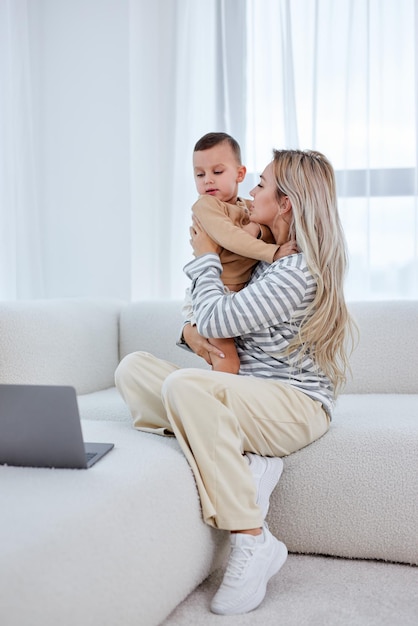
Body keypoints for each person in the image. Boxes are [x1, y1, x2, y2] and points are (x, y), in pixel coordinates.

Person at [115, 148, 356, 616]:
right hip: (247, 394)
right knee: (134, 369)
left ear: (286, 202)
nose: (250, 192)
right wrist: (190, 330)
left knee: (184, 388)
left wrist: (204, 256)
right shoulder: (260, 257)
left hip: (293, 404)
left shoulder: (295, 270)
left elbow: (215, 316)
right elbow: (205, 324)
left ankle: (252, 538)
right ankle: (242, 453)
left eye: (261, 184)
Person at [185, 132, 297, 374]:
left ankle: (211, 400)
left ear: (239, 174)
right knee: (226, 359)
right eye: (200, 174)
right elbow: (231, 238)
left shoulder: (247, 207)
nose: (207, 181)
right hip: (214, 291)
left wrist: (257, 230)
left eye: (217, 172)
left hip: (234, 293)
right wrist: (273, 252)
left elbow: (265, 231)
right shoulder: (206, 206)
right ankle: (213, 402)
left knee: (231, 359)